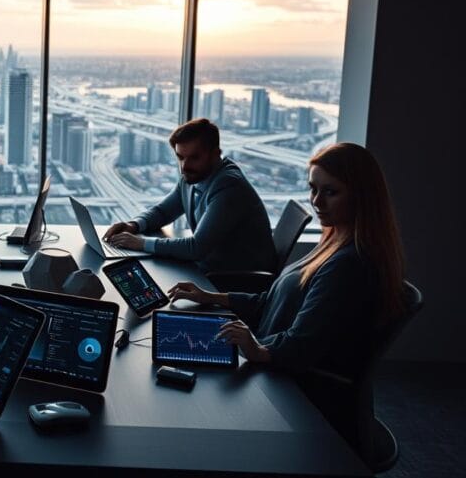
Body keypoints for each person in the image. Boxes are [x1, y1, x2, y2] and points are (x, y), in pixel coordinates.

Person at [167, 143, 407, 443]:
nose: (317, 201)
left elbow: (301, 346)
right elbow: (271, 301)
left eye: (331, 192)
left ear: (361, 196)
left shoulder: (350, 264)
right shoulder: (333, 242)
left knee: (185, 399)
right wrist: (212, 297)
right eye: (313, 189)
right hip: (274, 361)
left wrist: (256, 349)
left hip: (297, 393)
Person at [103, 118, 275, 273]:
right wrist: (134, 225)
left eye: (194, 158)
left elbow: (196, 247)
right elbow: (163, 212)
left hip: (235, 281)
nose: (184, 166)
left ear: (215, 154)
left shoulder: (229, 186)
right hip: (207, 268)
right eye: (180, 157)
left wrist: (140, 243)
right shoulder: (193, 176)